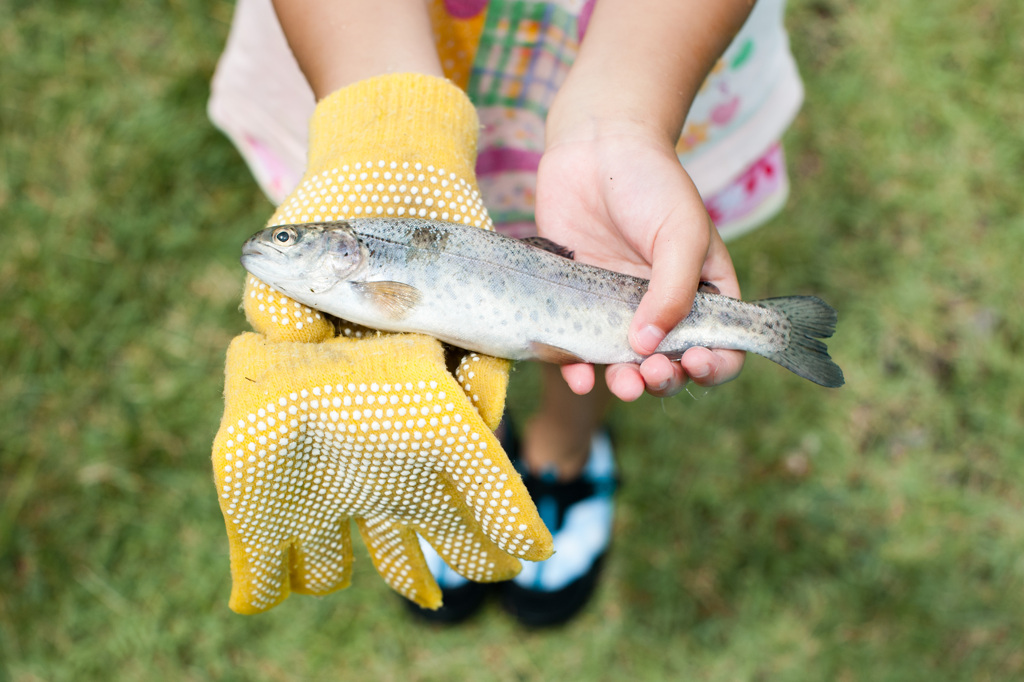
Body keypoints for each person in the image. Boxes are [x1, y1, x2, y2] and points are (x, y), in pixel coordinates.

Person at [209, 0, 804, 626]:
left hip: (653, 54)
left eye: (287, 242)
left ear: (343, 248)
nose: (271, 245)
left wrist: (625, 120)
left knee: (578, 351)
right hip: (360, 38)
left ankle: (564, 451)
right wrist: (378, 112)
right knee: (440, 387)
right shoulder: (360, 240)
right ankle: (465, 460)